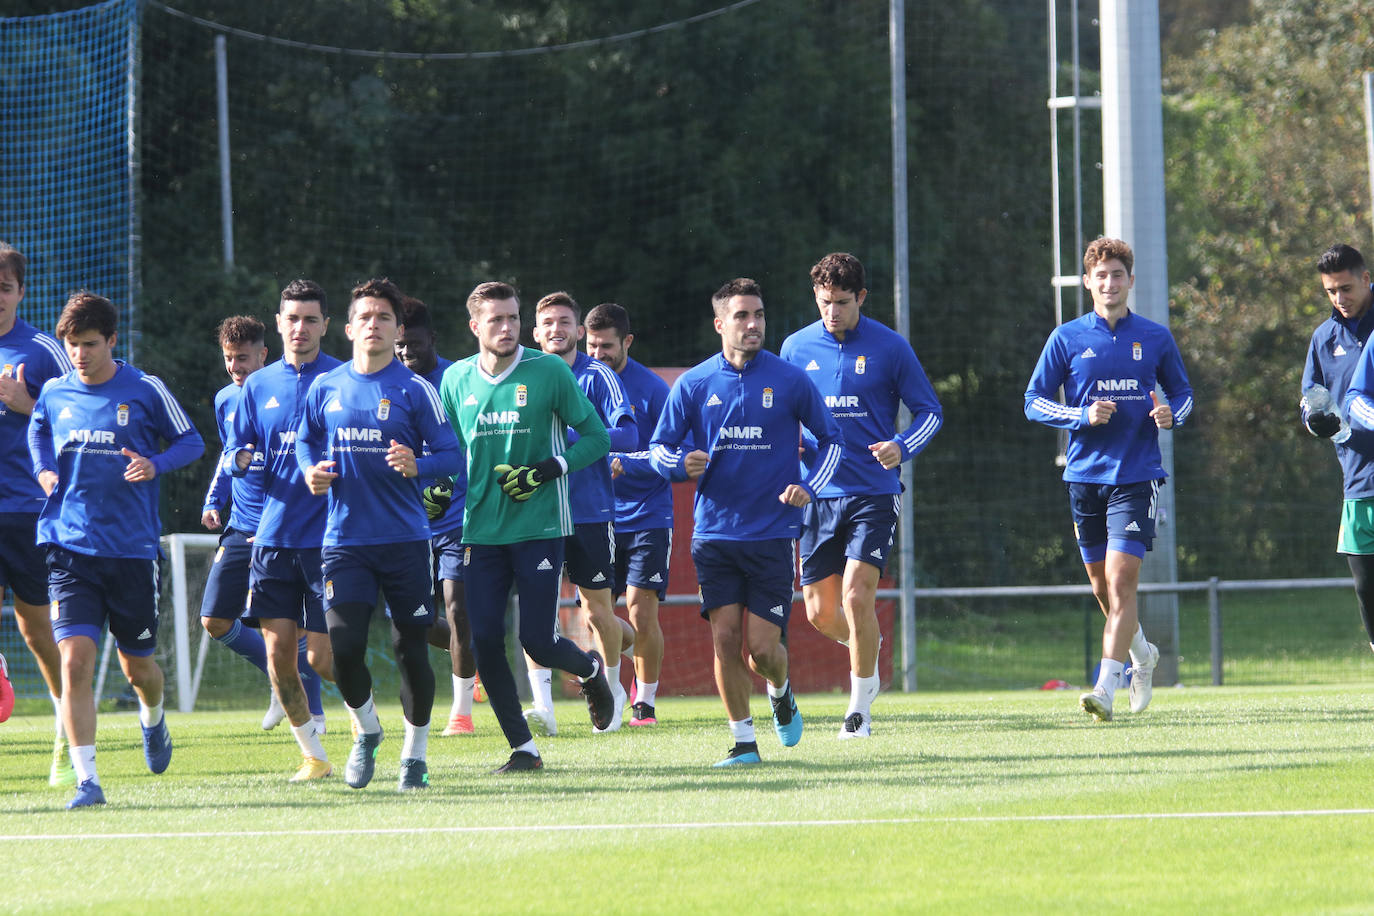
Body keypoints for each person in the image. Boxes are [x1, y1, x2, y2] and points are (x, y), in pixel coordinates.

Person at [650, 278, 843, 766]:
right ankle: (743, 743)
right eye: (741, 316)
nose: (753, 323)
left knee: (761, 649)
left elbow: (833, 442)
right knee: (725, 640)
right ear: (720, 324)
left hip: (774, 533)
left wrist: (809, 485)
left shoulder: (790, 379)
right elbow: (658, 449)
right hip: (714, 534)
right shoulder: (694, 384)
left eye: (758, 314)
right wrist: (679, 465)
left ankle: (780, 689)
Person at [28, 291, 204, 808]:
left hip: (130, 552)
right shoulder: (56, 392)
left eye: (88, 344)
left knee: (137, 670)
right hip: (68, 547)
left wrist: (154, 465)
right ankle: (88, 780)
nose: (79, 354)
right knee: (75, 662)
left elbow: (190, 441)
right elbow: (38, 431)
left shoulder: (145, 389)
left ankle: (153, 717)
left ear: (111, 340)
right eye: (71, 344)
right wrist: (43, 471)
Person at [437, 281, 615, 773]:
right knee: (484, 639)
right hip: (480, 533)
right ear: (475, 326)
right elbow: (452, 455)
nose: (508, 327)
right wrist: (436, 488)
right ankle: (523, 748)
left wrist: (547, 469)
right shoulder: (454, 380)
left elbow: (597, 438)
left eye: (514, 318)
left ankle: (591, 668)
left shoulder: (549, 371)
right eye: (497, 319)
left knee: (536, 640)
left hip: (540, 527)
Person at [298, 278, 461, 791]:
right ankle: (367, 730)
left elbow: (454, 457)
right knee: (342, 649)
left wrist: (420, 464)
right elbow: (305, 440)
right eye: (365, 316)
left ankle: (415, 756)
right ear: (348, 329)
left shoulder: (416, 391)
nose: (374, 324)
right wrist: (310, 470)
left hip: (406, 542)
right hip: (343, 541)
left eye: (384, 318)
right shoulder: (325, 387)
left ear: (397, 331)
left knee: (410, 646)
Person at [1024, 236, 1193, 722]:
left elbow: (1183, 394)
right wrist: (1080, 415)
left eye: (1118, 275)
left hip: (1137, 476)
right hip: (1083, 479)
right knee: (1102, 588)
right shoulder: (1067, 338)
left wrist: (1169, 415)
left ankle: (1106, 687)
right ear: (1088, 283)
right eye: (1101, 276)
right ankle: (1143, 654)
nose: (1110, 283)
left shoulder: (1155, 337)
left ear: (1130, 281)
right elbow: (1033, 402)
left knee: (1121, 585)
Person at [779, 253, 943, 738]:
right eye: (826, 302)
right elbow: (783, 418)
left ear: (862, 298)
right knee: (818, 611)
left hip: (873, 490)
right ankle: (865, 653)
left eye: (843, 303)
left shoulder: (891, 348)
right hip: (816, 495)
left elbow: (929, 411)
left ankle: (858, 711)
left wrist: (901, 446)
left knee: (856, 594)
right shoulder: (794, 348)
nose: (833, 312)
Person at [228, 280, 340, 780]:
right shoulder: (257, 385)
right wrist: (241, 458)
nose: (301, 328)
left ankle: (368, 724)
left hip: (330, 540)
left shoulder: (344, 378)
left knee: (323, 657)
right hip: (271, 540)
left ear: (325, 325)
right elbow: (233, 452)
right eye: (292, 318)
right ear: (278, 323)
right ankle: (313, 756)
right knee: (278, 659)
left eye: (310, 319)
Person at [200, 316, 326, 732]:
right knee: (214, 619)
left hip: (284, 526)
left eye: (243, 358)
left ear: (263, 355)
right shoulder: (224, 399)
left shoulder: (293, 390)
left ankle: (315, 712)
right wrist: (214, 499)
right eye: (229, 359)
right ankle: (279, 680)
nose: (236, 367)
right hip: (241, 523)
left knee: (301, 627)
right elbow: (230, 454)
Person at [525, 291, 638, 735]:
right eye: (547, 322)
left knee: (596, 611)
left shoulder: (598, 376)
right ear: (536, 332)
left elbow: (627, 437)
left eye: (564, 322)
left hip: (590, 512)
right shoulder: (524, 377)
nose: (556, 329)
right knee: (539, 611)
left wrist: (566, 435)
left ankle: (610, 693)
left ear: (579, 331)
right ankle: (543, 709)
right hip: (536, 514)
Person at [0, 242, 74, 785]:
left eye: (4, 288)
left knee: (36, 628)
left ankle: (65, 720)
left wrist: (26, 405)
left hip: (29, 507)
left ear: (20, 292)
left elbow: (85, 412)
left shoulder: (43, 349)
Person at [586, 302, 679, 726]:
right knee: (596, 614)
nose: (599, 354)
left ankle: (646, 702)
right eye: (592, 346)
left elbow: (672, 453)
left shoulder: (655, 390)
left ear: (627, 342)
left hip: (647, 514)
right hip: (595, 515)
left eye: (607, 345)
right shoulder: (579, 383)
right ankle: (612, 689)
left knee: (642, 609)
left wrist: (631, 462)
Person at [394, 295, 479, 737]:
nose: (406, 353)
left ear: (433, 339)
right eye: (399, 346)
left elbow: (472, 448)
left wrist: (437, 478)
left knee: (458, 608)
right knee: (413, 618)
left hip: (460, 519)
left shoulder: (459, 379)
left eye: (414, 344)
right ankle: (474, 656)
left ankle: (460, 714)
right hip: (405, 524)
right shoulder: (386, 385)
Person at [1316, 246, 1374, 649]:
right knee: (1366, 587)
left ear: (1366, 278)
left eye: (1347, 288)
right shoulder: (1324, 338)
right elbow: (1312, 398)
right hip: (1357, 477)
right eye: (1332, 291)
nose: (1340, 298)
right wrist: (1314, 418)